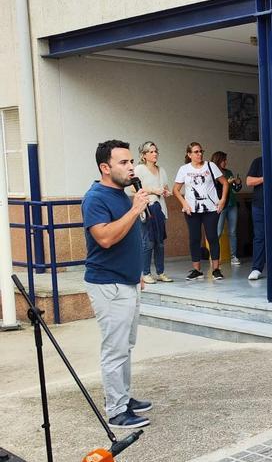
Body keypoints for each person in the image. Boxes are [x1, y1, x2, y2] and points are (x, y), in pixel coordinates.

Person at [82, 140, 152, 428]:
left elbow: (128, 239)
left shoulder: (123, 195)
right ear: (105, 167)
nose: (131, 166)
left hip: (127, 281)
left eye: (131, 161)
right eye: (123, 162)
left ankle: (123, 396)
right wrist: (135, 210)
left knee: (126, 345)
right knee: (115, 348)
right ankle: (116, 410)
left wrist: (136, 272)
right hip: (108, 284)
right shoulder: (96, 198)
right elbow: (106, 238)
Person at [173, 142, 229, 281]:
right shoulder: (184, 169)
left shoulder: (211, 166)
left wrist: (222, 200)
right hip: (191, 210)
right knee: (194, 239)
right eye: (196, 152)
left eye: (201, 151)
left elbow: (225, 183)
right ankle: (197, 270)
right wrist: (184, 203)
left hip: (211, 208)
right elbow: (176, 189)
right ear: (189, 154)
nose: (199, 154)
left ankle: (216, 269)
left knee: (212, 237)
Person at [133, 141, 172, 284]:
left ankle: (160, 272)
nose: (154, 154)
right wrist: (153, 191)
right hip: (147, 210)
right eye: (151, 152)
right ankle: (146, 273)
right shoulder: (139, 169)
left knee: (160, 242)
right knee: (148, 242)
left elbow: (166, 187)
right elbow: (133, 189)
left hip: (160, 209)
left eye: (156, 151)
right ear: (144, 155)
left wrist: (165, 192)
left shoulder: (161, 170)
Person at [211, 151, 243, 266]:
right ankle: (215, 257)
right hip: (220, 205)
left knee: (233, 232)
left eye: (226, 160)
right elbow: (213, 188)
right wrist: (226, 183)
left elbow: (236, 189)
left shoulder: (228, 172)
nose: (225, 162)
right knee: (218, 232)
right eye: (224, 160)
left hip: (232, 204)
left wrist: (237, 183)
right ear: (218, 161)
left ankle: (234, 256)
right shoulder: (213, 172)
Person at [246, 156, 265, 280]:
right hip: (259, 205)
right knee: (259, 237)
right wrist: (265, 178)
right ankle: (257, 268)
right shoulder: (258, 161)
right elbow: (248, 181)